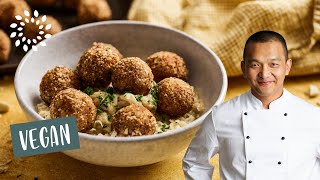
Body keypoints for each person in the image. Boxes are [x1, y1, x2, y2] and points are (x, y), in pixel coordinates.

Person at [182, 30, 320, 180]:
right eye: (255, 65)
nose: (264, 73)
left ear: (287, 67)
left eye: (273, 64)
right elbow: (194, 163)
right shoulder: (221, 116)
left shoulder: (313, 117)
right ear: (244, 69)